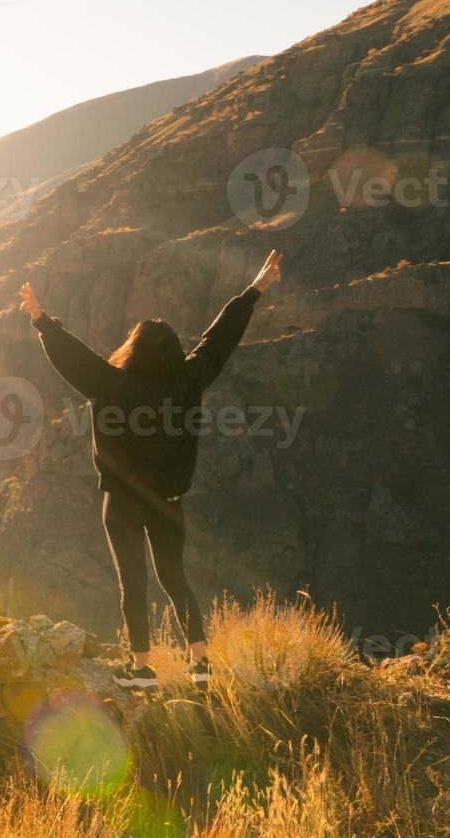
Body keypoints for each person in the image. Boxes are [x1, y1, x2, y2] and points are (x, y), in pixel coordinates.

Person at [19, 251, 283, 692]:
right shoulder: (188, 381)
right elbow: (219, 340)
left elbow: (74, 358)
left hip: (121, 503)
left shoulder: (110, 383)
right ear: (173, 353)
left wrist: (42, 321)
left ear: (133, 348)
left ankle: (141, 669)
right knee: (174, 577)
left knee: (133, 583)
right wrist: (254, 290)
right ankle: (200, 663)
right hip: (169, 502)